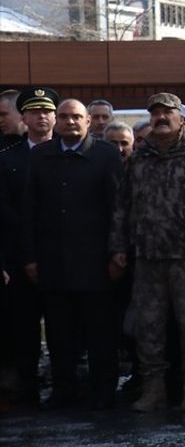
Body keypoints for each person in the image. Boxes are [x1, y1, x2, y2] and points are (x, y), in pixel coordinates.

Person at [110, 92, 185, 413]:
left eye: (167, 113)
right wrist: (118, 247)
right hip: (147, 258)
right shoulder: (139, 159)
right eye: (155, 113)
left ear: (181, 119)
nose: (160, 118)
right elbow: (122, 206)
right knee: (148, 328)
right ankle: (154, 390)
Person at [22, 99, 123, 409]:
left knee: (99, 333)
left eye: (76, 117)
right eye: (64, 116)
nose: (70, 122)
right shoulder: (40, 155)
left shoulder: (106, 155)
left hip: (95, 262)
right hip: (53, 261)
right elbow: (30, 210)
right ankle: (64, 390)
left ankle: (103, 391)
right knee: (59, 332)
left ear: (88, 121)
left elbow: (117, 208)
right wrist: (30, 257)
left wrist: (117, 252)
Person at [0, 87, 58, 407]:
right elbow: (4, 209)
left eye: (47, 111)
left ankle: (65, 384)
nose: (42, 117)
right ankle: (27, 386)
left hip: (61, 255)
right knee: (24, 327)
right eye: (35, 112)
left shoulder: (68, 153)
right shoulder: (7, 159)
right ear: (24, 117)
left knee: (63, 326)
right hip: (20, 256)